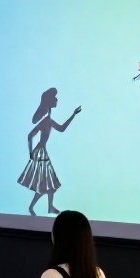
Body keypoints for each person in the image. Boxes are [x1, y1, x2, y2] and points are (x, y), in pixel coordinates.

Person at [20, 88, 82, 216]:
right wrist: (31, 153)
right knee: (48, 184)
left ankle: (44, 207)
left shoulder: (49, 120)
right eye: (55, 98)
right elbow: (30, 135)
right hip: (40, 152)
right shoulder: (45, 121)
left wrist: (73, 114)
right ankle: (47, 207)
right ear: (49, 101)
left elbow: (62, 128)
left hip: (42, 152)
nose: (57, 100)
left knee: (47, 185)